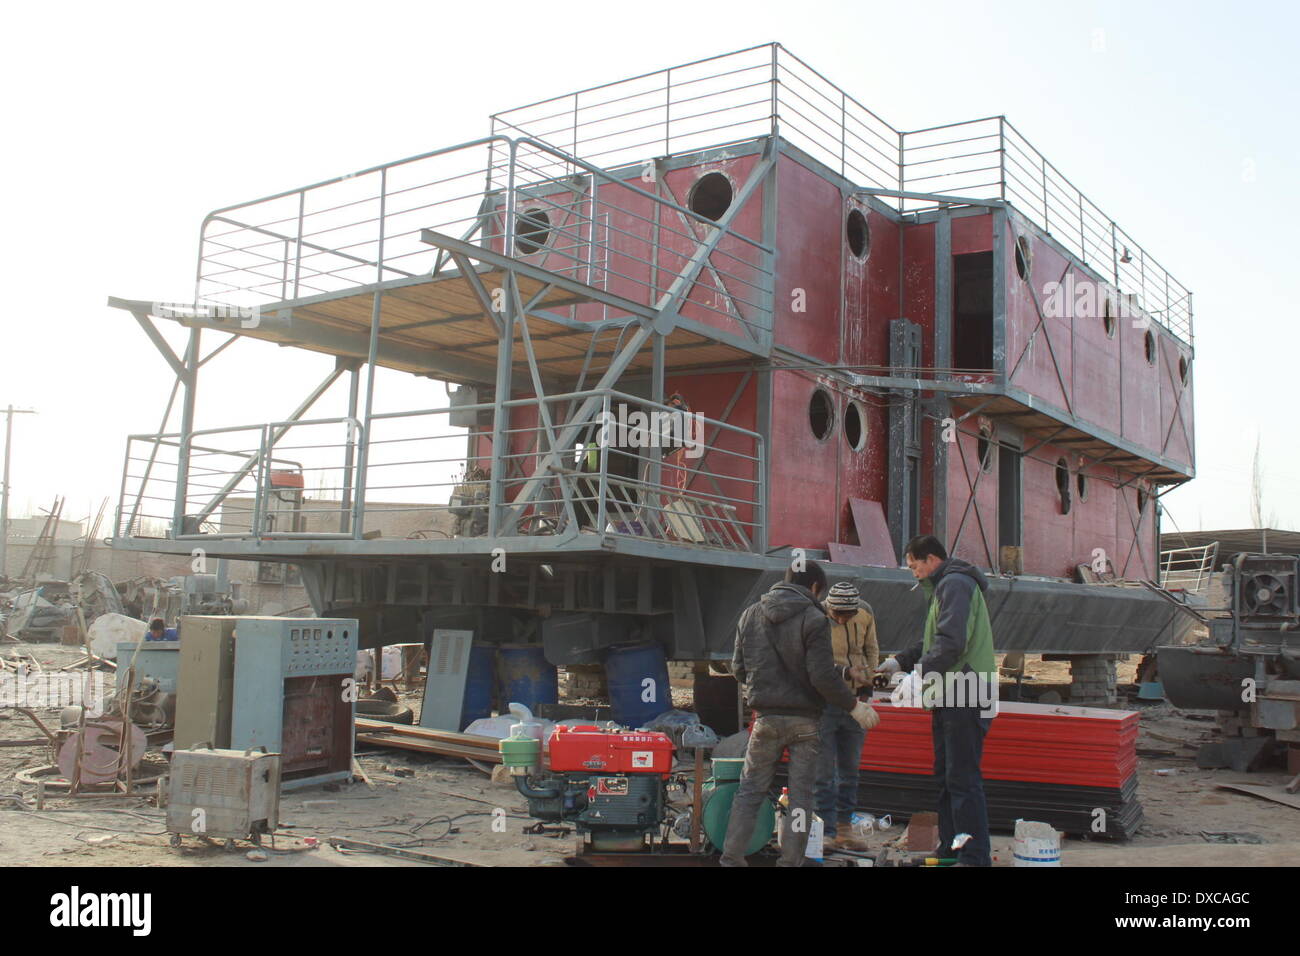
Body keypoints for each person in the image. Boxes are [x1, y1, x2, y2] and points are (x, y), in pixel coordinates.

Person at [721, 561, 879, 867]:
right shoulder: (814, 617)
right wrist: (854, 706)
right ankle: (790, 861)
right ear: (816, 587)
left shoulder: (751, 614)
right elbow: (819, 675)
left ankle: (732, 858)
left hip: (765, 719)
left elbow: (739, 668)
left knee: (749, 791)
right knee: (800, 798)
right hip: (805, 723)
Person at [877, 535, 997, 866]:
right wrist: (898, 663)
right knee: (947, 777)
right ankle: (950, 850)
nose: (913, 573)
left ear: (931, 559)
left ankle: (973, 857)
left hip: (966, 691)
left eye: (915, 566)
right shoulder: (946, 587)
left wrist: (920, 675)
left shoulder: (955, 584)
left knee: (962, 779)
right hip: (953, 693)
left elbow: (951, 643)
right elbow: (933, 640)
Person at [816, 580, 879, 851]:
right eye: (837, 615)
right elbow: (814, 661)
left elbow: (871, 648)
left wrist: (869, 681)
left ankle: (843, 830)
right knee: (823, 773)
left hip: (856, 702)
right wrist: (843, 673)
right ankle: (826, 831)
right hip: (825, 703)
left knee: (849, 771)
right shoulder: (816, 619)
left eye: (846, 616)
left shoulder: (864, 614)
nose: (841, 619)